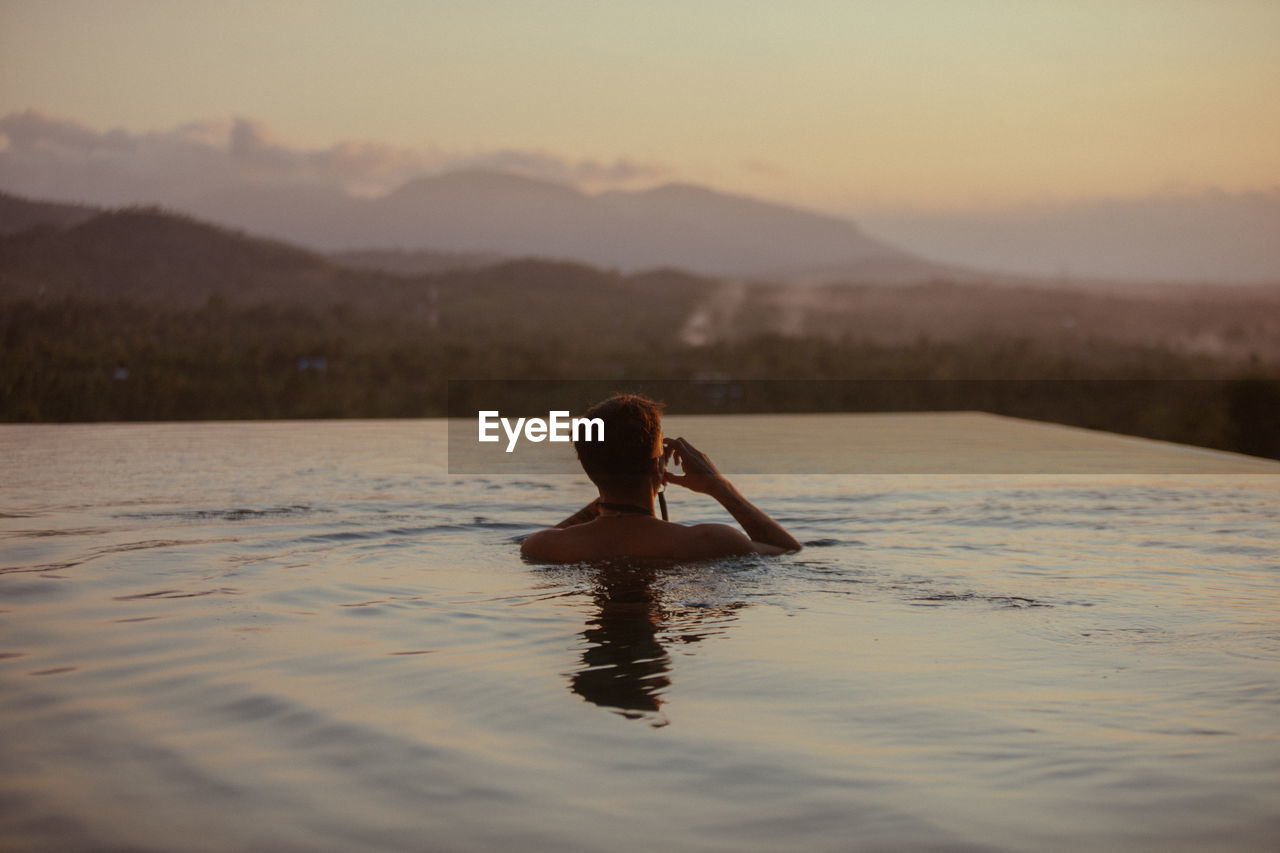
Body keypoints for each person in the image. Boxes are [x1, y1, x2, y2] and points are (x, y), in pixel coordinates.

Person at [520, 394, 801, 562]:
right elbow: (787, 551)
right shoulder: (710, 542)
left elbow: (536, 541)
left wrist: (623, 484)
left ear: (588, 468)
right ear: (657, 465)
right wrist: (719, 486)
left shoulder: (544, 546)